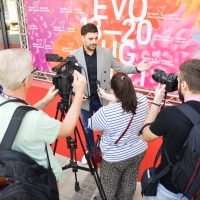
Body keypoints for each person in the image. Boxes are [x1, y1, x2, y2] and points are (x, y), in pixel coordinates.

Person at [0, 48, 86, 183]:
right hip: (39, 183)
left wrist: (45, 101)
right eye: (32, 71)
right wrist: (80, 93)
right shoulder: (36, 120)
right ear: (26, 81)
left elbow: (17, 118)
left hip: (12, 176)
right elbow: (67, 128)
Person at [70, 23, 151, 164]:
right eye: (90, 39)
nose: (94, 42)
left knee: (107, 126)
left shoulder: (106, 53)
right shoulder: (73, 56)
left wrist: (137, 68)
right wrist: (76, 91)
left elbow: (119, 67)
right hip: (84, 99)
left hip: (103, 97)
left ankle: (103, 149)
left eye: (96, 38)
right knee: (87, 128)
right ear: (82, 37)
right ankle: (90, 150)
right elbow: (71, 78)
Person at [141, 58, 200, 200]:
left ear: (184, 85)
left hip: (168, 190)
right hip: (194, 188)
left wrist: (156, 102)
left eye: (178, 81)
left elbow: (146, 135)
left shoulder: (172, 114)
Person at [88, 72, 148, 200]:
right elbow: (128, 100)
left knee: (108, 188)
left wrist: (110, 102)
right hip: (138, 150)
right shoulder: (143, 99)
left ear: (113, 90)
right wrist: (111, 96)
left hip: (114, 157)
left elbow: (91, 124)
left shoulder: (107, 112)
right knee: (129, 182)